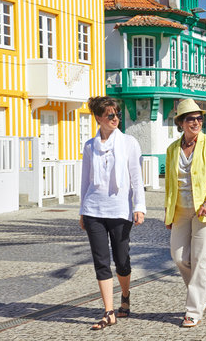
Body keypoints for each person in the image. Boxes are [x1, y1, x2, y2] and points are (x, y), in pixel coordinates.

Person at [79, 96, 146, 330]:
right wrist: (82, 211)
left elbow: (137, 178)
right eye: (110, 115)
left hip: (120, 210)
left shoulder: (129, 142)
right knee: (101, 262)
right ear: (98, 118)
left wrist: (139, 206)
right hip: (93, 210)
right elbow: (85, 180)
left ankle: (125, 295)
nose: (115, 118)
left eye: (117, 113)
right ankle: (108, 312)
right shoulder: (89, 146)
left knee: (121, 260)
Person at [164, 98, 206, 327]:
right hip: (180, 209)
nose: (197, 122)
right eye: (191, 119)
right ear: (181, 122)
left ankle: (193, 310)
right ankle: (205, 291)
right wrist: (168, 213)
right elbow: (170, 184)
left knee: (200, 259)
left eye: (199, 118)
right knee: (179, 257)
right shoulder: (172, 149)